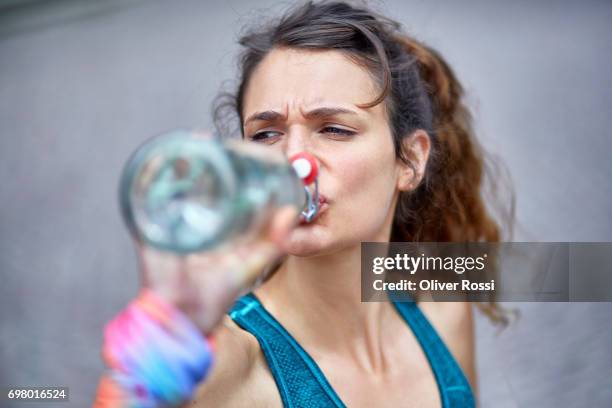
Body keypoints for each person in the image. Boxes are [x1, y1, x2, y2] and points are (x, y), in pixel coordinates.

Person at [94, 1, 513, 407]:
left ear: (411, 160)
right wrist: (170, 330)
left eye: (333, 129)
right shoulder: (234, 366)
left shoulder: (442, 303)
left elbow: (552, 274)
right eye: (266, 135)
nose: (296, 162)